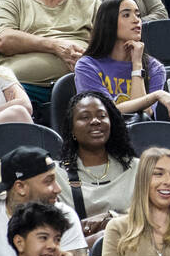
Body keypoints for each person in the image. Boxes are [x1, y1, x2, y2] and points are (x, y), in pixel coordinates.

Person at [75, 0, 170, 116]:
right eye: (126, 15)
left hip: (142, 134)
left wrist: (137, 64)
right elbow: (106, 113)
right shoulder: (87, 66)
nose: (136, 20)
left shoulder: (154, 68)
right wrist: (155, 96)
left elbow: (143, 115)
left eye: (138, 15)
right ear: (108, 22)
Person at [54, 91, 139, 231]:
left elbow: (153, 216)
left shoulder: (136, 168)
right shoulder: (57, 175)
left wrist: (111, 218)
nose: (95, 121)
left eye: (102, 116)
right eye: (85, 117)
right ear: (72, 130)